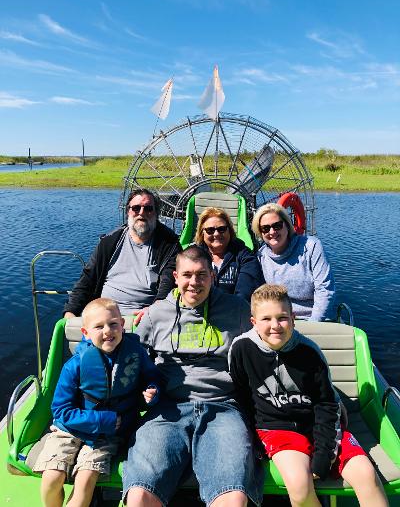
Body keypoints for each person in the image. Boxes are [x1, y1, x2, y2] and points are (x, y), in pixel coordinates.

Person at [123, 245, 264, 507]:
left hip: (224, 407)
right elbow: (134, 361)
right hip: (168, 409)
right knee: (140, 494)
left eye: (201, 275)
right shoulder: (155, 315)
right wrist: (142, 390)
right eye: (187, 275)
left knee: (232, 496)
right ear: (175, 277)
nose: (194, 283)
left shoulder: (238, 310)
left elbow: (268, 346)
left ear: (212, 275)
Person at [229, 284, 388, 507]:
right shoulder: (241, 349)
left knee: (366, 475)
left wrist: (324, 455)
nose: (275, 326)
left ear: (293, 318)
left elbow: (326, 404)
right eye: (266, 319)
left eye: (282, 318)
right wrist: (252, 443)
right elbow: (242, 397)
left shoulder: (310, 352)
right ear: (254, 322)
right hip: (276, 428)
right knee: (300, 486)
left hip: (319, 424)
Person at [34, 298, 161, 507]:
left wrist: (152, 391)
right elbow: (60, 410)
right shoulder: (74, 365)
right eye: (98, 326)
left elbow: (152, 377)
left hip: (107, 436)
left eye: (113, 324)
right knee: (51, 478)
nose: (107, 331)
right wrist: (106, 420)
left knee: (85, 480)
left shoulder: (135, 354)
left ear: (122, 324)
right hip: (70, 429)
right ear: (85, 333)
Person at [64, 188, 182, 324]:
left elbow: (168, 284)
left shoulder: (169, 245)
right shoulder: (109, 242)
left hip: (143, 320)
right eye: (136, 208)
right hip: (104, 318)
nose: (141, 213)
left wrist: (155, 309)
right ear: (128, 212)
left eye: (148, 209)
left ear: (156, 214)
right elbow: (87, 280)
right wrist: (70, 311)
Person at [252, 203, 335, 321]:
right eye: (265, 228)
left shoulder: (311, 246)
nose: (272, 232)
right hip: (279, 321)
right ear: (260, 233)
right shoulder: (260, 257)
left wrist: (314, 325)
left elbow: (325, 289)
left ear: (287, 225)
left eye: (277, 226)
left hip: (314, 318)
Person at [195, 206, 264, 302]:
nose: (216, 234)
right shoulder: (193, 256)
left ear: (230, 231)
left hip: (234, 313)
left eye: (221, 229)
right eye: (210, 230)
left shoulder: (245, 257)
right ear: (202, 233)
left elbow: (244, 294)